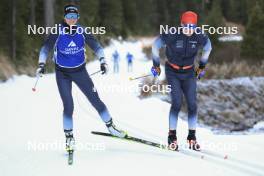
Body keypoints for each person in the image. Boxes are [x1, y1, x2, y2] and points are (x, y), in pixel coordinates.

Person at [36, 4, 126, 153]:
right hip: (62, 74)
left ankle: (111, 127)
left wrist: (103, 61)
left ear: (77, 18)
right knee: (68, 106)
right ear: (64, 17)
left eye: (74, 17)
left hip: (80, 72)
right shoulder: (57, 32)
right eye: (69, 17)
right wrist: (41, 64)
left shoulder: (82, 31)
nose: (71, 20)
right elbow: (45, 48)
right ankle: (69, 138)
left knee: (95, 99)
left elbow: (97, 46)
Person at [151, 11, 212, 151]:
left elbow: (208, 47)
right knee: (177, 103)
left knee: (192, 104)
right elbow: (155, 45)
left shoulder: (199, 35)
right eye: (186, 26)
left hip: (189, 72)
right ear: (181, 24)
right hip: (172, 71)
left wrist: (202, 66)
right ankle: (172, 136)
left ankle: (192, 137)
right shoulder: (172, 33)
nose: (189, 30)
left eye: (192, 26)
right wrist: (155, 65)